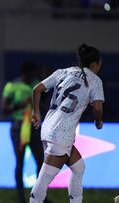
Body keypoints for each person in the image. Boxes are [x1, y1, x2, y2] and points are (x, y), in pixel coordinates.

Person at [29, 44, 104, 203]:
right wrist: (98, 121)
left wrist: (36, 113)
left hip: (48, 128)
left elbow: (36, 89)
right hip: (61, 136)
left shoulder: (62, 72)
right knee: (44, 179)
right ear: (94, 64)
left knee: (79, 168)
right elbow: (97, 107)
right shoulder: (95, 80)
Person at [1, 61, 44, 203]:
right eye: (32, 74)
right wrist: (21, 104)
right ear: (26, 73)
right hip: (18, 127)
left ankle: (39, 196)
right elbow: (4, 108)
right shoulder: (12, 86)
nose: (34, 76)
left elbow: (43, 103)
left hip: (34, 127)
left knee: (40, 161)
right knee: (20, 162)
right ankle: (21, 197)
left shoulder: (37, 84)